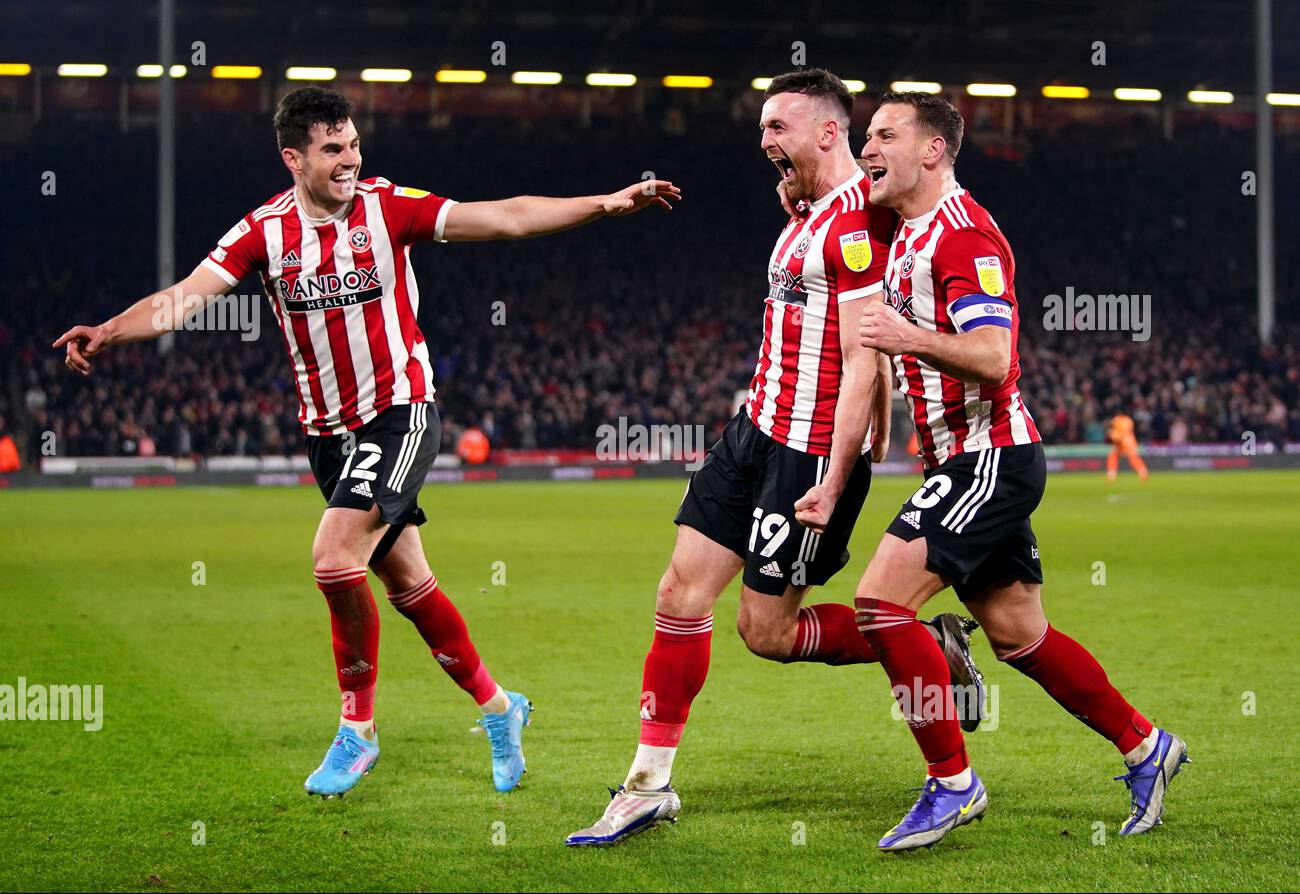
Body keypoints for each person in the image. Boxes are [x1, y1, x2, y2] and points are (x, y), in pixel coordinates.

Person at [52, 86, 680, 800]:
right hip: (328, 434)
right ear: (294, 157)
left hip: (400, 412)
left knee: (332, 557)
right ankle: (503, 711)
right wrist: (108, 329)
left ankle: (358, 731)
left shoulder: (389, 208)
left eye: (353, 144)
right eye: (332, 149)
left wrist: (605, 203)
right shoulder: (263, 231)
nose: (350, 160)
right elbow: (184, 299)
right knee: (408, 583)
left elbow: (504, 216)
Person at [566, 70, 980, 848]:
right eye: (761, 127)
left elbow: (866, 352)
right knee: (678, 591)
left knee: (768, 633)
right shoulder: (805, 211)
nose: (764, 141)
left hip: (809, 450)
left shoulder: (859, 221)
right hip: (752, 427)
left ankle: (935, 651)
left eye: (777, 126)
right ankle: (647, 784)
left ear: (828, 131)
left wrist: (841, 466)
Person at [841, 91, 1186, 850]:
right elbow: (835, 201)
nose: (869, 147)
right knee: (1019, 634)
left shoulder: (965, 237)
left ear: (932, 151)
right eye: (865, 134)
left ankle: (953, 785)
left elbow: (995, 359)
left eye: (885, 135)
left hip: (987, 459)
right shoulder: (903, 228)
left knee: (879, 604)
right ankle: (1146, 747)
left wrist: (906, 334)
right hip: (966, 460)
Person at [1106, 412, 1149, 481]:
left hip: (1122, 441)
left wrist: (1112, 434)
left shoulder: (1116, 419)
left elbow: (1115, 430)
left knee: (1115, 456)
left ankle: (1112, 473)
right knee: (1132, 457)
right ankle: (1142, 471)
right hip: (1129, 441)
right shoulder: (1129, 420)